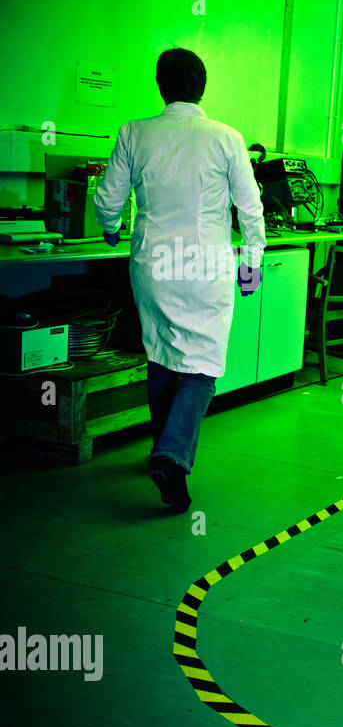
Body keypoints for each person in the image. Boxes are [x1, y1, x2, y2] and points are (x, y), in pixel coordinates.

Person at [95, 48, 266, 511]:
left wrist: (111, 229)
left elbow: (108, 198)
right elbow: (250, 208)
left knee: (159, 351)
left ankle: (160, 446)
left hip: (151, 264)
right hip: (205, 266)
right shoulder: (227, 138)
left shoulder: (134, 132)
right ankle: (170, 457)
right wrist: (251, 263)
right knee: (203, 366)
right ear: (202, 87)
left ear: (160, 85)